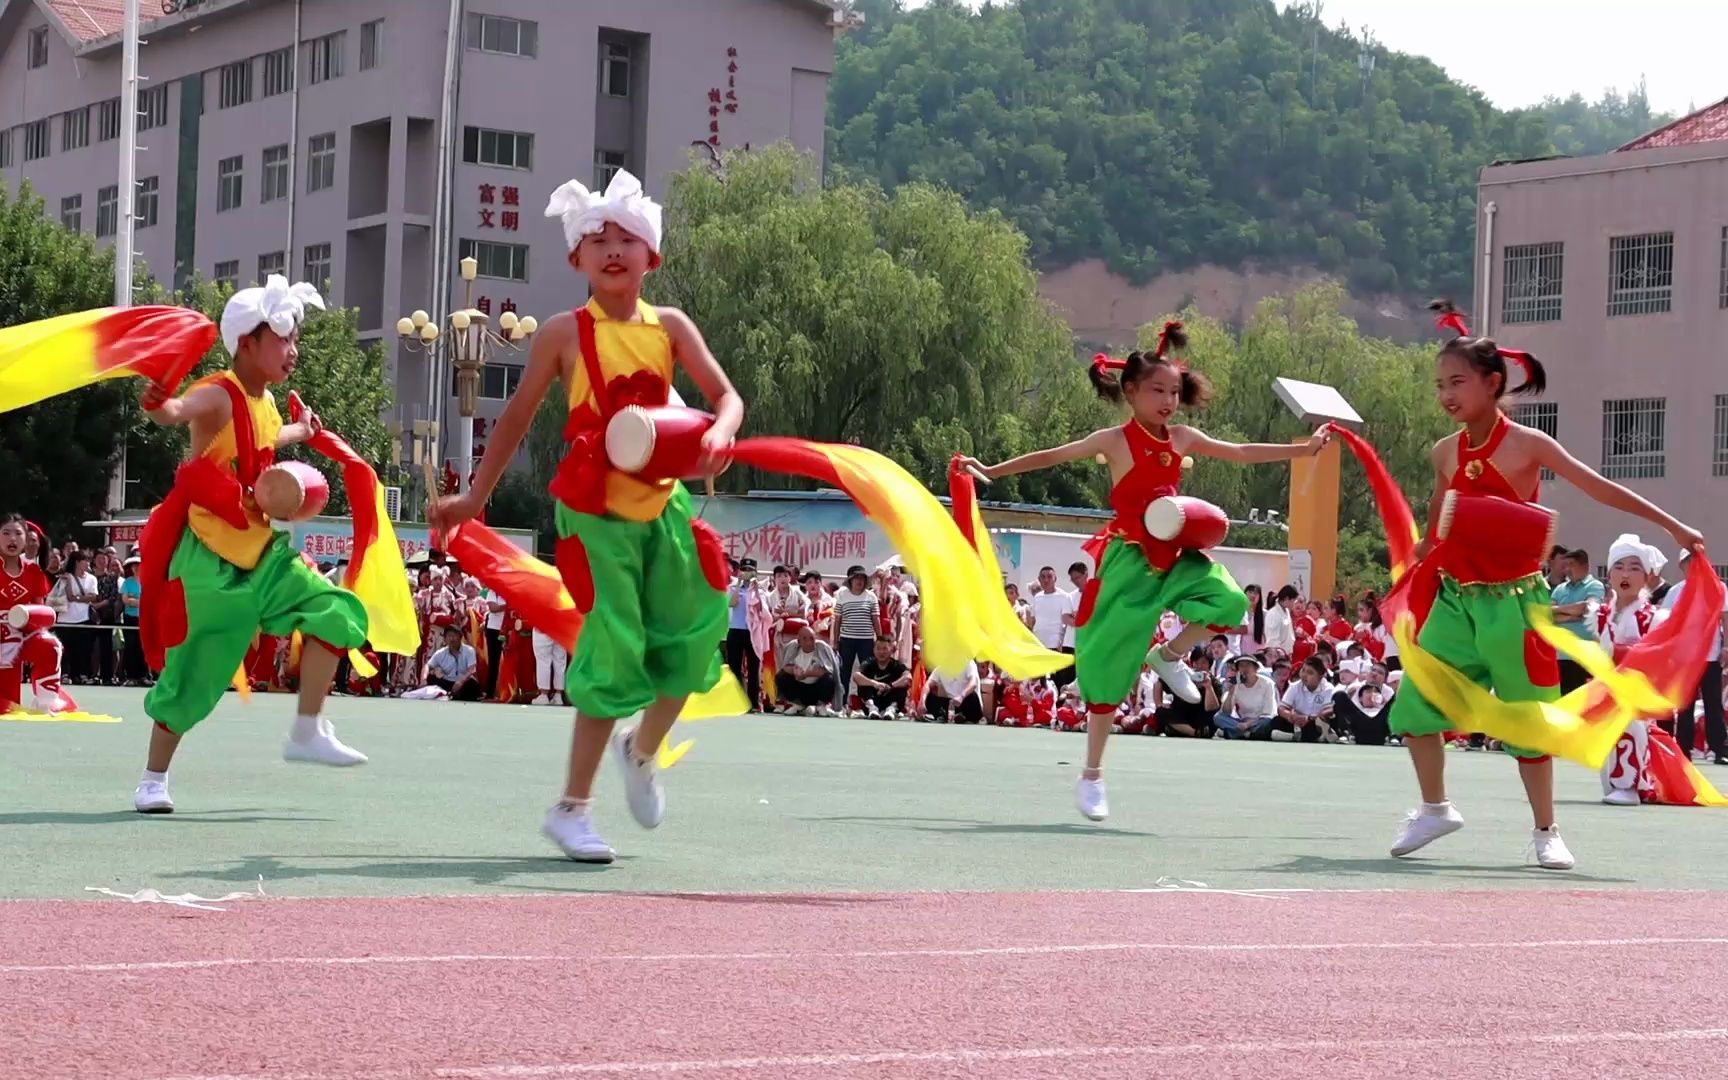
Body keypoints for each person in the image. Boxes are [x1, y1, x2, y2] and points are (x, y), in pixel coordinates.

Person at [430, 172, 741, 864]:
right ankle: (571, 808)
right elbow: (515, 417)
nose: (611, 249)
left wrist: (719, 432)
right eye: (596, 239)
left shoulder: (672, 327)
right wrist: (474, 499)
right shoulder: (566, 334)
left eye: (626, 238)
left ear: (650, 255)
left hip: (664, 504)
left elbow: (728, 398)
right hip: (594, 510)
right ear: (575, 259)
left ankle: (643, 749)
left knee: (694, 642)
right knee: (615, 645)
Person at [959, 321, 1327, 822]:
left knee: (1232, 603)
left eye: (1175, 391)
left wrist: (1302, 451)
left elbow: (1241, 454)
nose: (1169, 400)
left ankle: (1171, 653)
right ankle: (1092, 773)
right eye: (1157, 390)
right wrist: (993, 471)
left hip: (1177, 555)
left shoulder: (1182, 437)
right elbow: (1052, 456)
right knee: (1110, 671)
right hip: (1129, 561)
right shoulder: (1114, 441)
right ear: (1129, 392)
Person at [1382, 301, 1702, 870]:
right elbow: (1437, 531)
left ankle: (1545, 830)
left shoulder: (1528, 445)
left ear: (1492, 382)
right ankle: (1435, 808)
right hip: (1458, 601)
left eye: (1458, 381)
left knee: (1529, 719)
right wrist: (1416, 572)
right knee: (1414, 707)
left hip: (1515, 605)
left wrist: (1673, 526)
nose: (1446, 394)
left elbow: (1599, 487)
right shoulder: (1443, 452)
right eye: (1439, 385)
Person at [131, 277, 371, 815]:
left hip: (261, 552)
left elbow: (267, 438)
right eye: (283, 338)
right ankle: (152, 779)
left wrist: (301, 431)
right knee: (194, 675)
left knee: (336, 610)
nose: (294, 351)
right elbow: (174, 412)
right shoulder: (218, 392)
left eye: (294, 340)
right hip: (211, 561)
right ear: (247, 344)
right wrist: (159, 400)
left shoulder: (262, 403)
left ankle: (307, 728)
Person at [1596, 537, 1668, 804]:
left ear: (1647, 576)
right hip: (1606, 691)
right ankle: (1626, 784)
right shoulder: (1601, 615)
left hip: (1636, 694)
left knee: (1630, 727)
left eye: (1634, 567)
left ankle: (1630, 786)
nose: (1625, 574)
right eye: (1619, 566)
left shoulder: (1653, 617)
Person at [1660, 551, 1728, 766]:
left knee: (1713, 703)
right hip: (1684, 656)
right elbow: (1667, 622)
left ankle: (1720, 750)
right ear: (1682, 565)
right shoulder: (1675, 592)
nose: (1694, 565)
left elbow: (1725, 617)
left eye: (1697, 560)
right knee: (1685, 705)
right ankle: (1683, 749)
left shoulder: (1718, 587)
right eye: (1689, 561)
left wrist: (1726, 646)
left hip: (1710, 654)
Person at [0, 514, 69, 713]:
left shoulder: (34, 572)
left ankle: (47, 700)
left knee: (50, 645)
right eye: (6, 533)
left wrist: (25, 620)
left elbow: (40, 612)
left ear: (25, 539)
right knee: (7, 705)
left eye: (17, 534)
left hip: (22, 631)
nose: (12, 539)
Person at [1549, 548, 1605, 694]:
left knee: (1582, 700)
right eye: (1565, 565)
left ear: (1585, 566)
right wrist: (1572, 615)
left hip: (1584, 655)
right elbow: (1548, 613)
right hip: (1560, 655)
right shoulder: (1560, 589)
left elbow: (1587, 609)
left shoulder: (1595, 586)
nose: (1567, 570)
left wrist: (1561, 611)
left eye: (1571, 565)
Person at [831, 565, 878, 710]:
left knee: (867, 673)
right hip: (847, 639)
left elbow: (875, 619)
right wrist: (836, 641)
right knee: (844, 672)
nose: (859, 581)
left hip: (866, 640)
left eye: (862, 578)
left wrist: (880, 640)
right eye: (856, 578)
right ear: (850, 580)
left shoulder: (871, 596)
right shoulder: (842, 596)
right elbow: (837, 620)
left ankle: (868, 705)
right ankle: (842, 704)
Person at [49, 550, 98, 685]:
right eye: (85, 560)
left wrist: (77, 598)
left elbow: (93, 596)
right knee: (66, 649)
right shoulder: (66, 577)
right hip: (65, 619)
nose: (88, 563)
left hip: (83, 618)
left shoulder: (91, 578)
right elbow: (68, 596)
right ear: (77, 562)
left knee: (83, 649)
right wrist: (82, 597)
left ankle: (81, 674)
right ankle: (65, 673)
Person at [725, 558, 768, 710]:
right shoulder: (733, 587)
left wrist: (755, 588)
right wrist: (738, 584)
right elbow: (732, 603)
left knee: (753, 668)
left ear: (755, 572)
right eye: (744, 570)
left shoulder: (761, 590)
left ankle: (753, 703)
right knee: (734, 667)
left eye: (750, 570)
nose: (747, 573)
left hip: (752, 632)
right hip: (735, 631)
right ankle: (735, 702)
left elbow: (762, 609)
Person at [1153, 646, 1220, 738]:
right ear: (1192, 663)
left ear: (1209, 665)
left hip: (1201, 719)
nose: (1199, 666)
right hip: (1182, 719)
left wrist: (1208, 687)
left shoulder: (1214, 682)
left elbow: (1211, 708)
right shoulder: (1183, 677)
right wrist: (1159, 704)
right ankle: (1193, 733)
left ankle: (1179, 731)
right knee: (1161, 711)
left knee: (1213, 718)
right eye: (1196, 662)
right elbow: (1159, 683)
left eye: (1203, 663)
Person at [1027, 565, 1077, 684]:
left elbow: (1066, 621)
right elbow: (1033, 620)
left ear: (1055, 579)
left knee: (1056, 681)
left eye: (1049, 577)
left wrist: (1061, 642)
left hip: (1055, 644)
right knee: (1040, 681)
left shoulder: (1064, 596)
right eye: (1043, 577)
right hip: (1039, 644)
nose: (1046, 580)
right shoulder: (1037, 597)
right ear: (1039, 580)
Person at [776, 625, 838, 715]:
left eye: (812, 639)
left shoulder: (822, 648)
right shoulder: (792, 647)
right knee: (781, 676)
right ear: (799, 641)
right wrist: (794, 670)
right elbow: (784, 667)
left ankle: (821, 706)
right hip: (800, 689)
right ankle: (797, 705)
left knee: (829, 679)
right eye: (804, 639)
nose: (809, 642)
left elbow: (827, 670)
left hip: (816, 689)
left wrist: (806, 674)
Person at [1275, 656, 1337, 743]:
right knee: (1276, 721)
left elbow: (1329, 710)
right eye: (1303, 670)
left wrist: (1308, 718)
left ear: (1320, 676)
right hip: (1296, 722)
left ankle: (1293, 737)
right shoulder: (1294, 686)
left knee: (1318, 725)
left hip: (1314, 721)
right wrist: (1291, 716)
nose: (1304, 675)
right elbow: (1282, 708)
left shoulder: (1328, 688)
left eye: (1310, 673)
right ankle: (1298, 736)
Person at [1216, 654, 1277, 739]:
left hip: (1260, 721)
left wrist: (1248, 724)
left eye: (1248, 665)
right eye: (1241, 666)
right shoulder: (1236, 684)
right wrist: (1230, 693)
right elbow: (1226, 712)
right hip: (1241, 722)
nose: (1245, 669)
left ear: (1256, 668)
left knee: (1267, 723)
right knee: (1218, 718)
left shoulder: (1267, 683)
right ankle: (1247, 734)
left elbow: (1268, 713)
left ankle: (1235, 733)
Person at [852, 634, 911, 718]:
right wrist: (874, 683)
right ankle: (872, 709)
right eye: (878, 648)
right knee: (864, 683)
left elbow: (908, 678)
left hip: (889, 699)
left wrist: (890, 686)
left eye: (885, 649)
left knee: (902, 687)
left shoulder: (896, 665)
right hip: (873, 699)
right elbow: (856, 676)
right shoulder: (868, 663)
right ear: (873, 650)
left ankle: (891, 710)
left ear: (891, 650)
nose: (881, 652)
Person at [423, 623, 484, 701]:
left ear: (460, 637)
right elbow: (427, 666)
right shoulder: (440, 653)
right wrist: (423, 680)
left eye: (454, 636)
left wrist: (460, 681)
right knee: (430, 678)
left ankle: (453, 695)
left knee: (472, 685)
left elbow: (472, 669)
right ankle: (450, 694)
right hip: (448, 682)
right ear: (445, 639)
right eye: (449, 636)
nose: (452, 639)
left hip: (464, 683)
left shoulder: (469, 650)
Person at [118, 553, 150, 685]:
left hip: (145, 618)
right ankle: (131, 676)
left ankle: (143, 676)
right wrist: (139, 601)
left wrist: (136, 601)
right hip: (130, 618)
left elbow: (150, 600)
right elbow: (125, 600)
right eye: (134, 566)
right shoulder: (128, 582)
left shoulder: (148, 580)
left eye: (139, 565)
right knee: (131, 646)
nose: (136, 568)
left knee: (144, 647)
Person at [924, 657, 984, 724]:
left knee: (973, 696)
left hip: (968, 702)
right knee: (929, 697)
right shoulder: (941, 667)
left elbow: (973, 683)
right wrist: (922, 702)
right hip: (952, 705)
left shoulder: (969, 663)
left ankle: (965, 717)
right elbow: (928, 684)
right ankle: (945, 715)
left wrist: (961, 696)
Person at [1265, 585, 1297, 654]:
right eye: (1293, 600)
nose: (1294, 603)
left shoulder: (1286, 611)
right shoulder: (1273, 614)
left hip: (1287, 652)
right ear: (1287, 598)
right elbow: (1273, 640)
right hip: (1278, 655)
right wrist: (1280, 654)